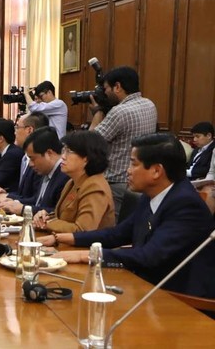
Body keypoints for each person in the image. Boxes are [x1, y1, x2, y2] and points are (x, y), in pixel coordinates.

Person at [42, 134, 215, 299]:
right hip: (147, 286)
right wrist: (64, 238)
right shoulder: (152, 194)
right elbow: (117, 234)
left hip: (181, 300)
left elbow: (149, 256)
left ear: (156, 171)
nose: (128, 171)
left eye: (133, 164)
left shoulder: (185, 204)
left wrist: (85, 255)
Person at [90, 66, 157, 218]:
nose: (105, 93)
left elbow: (90, 142)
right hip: (140, 179)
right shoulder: (150, 105)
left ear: (118, 87)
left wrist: (98, 112)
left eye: (106, 88)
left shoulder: (119, 112)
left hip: (116, 183)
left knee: (113, 229)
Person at [33, 130, 115, 232]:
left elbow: (83, 230)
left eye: (69, 152)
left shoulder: (95, 187)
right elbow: (64, 216)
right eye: (64, 150)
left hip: (86, 247)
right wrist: (45, 217)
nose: (63, 156)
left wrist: (48, 224)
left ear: (86, 158)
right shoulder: (72, 182)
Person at [0, 127, 69, 216]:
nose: (30, 164)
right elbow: (37, 201)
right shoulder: (46, 171)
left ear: (49, 153)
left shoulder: (65, 176)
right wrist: (13, 202)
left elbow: (57, 212)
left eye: (32, 158)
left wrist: (24, 209)